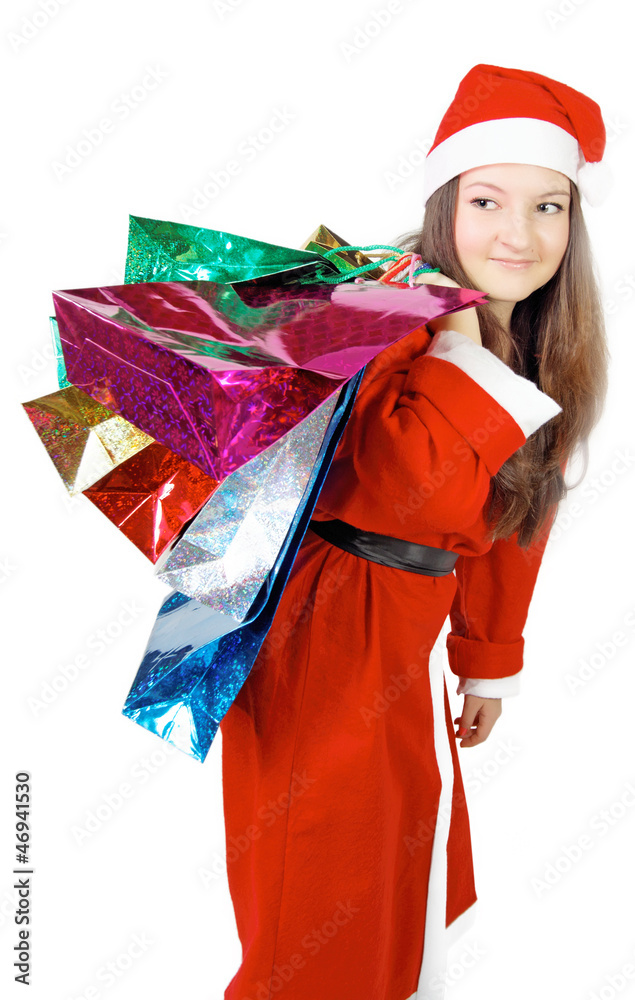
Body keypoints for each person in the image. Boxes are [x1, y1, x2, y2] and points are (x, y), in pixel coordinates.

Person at [219, 64, 610, 1000]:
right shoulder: (384, 313)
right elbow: (405, 494)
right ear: (444, 205)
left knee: (400, 872)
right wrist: (461, 359)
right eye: (486, 201)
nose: (519, 235)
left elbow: (514, 527)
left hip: (406, 626)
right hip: (322, 627)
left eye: (548, 207)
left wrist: (486, 659)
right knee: (319, 885)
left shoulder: (539, 347)